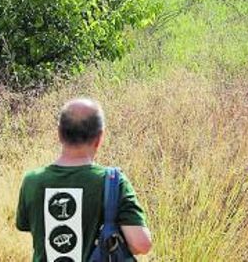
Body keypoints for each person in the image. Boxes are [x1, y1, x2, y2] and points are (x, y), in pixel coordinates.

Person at [16, 98, 152, 261]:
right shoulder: (113, 182)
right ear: (99, 138)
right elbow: (141, 244)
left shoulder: (32, 181)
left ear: (59, 133)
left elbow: (28, 226)